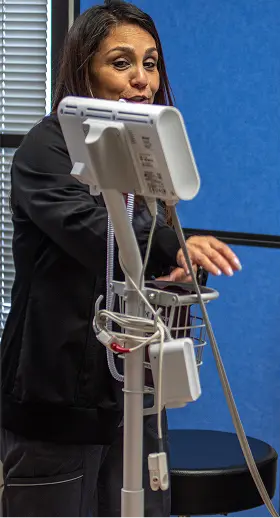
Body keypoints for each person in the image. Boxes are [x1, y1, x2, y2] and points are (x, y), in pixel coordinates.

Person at [0, 2, 242, 517]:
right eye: (121, 62)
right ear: (83, 70)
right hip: (57, 399)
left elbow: (152, 247)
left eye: (151, 63)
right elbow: (98, 233)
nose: (142, 80)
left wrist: (179, 267)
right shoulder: (45, 150)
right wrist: (172, 247)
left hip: (137, 394)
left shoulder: (144, 155)